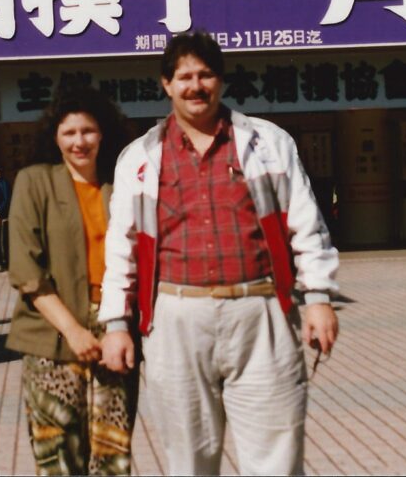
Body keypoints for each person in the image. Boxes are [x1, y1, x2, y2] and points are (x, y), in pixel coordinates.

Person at [99, 32, 340, 476]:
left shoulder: (268, 142)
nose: (196, 85)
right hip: (175, 317)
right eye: (185, 76)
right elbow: (122, 249)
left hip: (261, 311)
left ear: (221, 81)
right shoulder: (140, 157)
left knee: (277, 455)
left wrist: (319, 298)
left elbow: (305, 222)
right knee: (189, 458)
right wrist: (116, 325)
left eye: (206, 74)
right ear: (166, 84)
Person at [5, 85, 137, 476]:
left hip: (115, 332)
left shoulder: (121, 184)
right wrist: (73, 331)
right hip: (53, 335)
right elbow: (26, 271)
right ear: (55, 138)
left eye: (88, 131)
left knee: (112, 455)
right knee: (59, 457)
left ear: (103, 134)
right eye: (69, 133)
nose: (80, 141)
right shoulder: (35, 182)